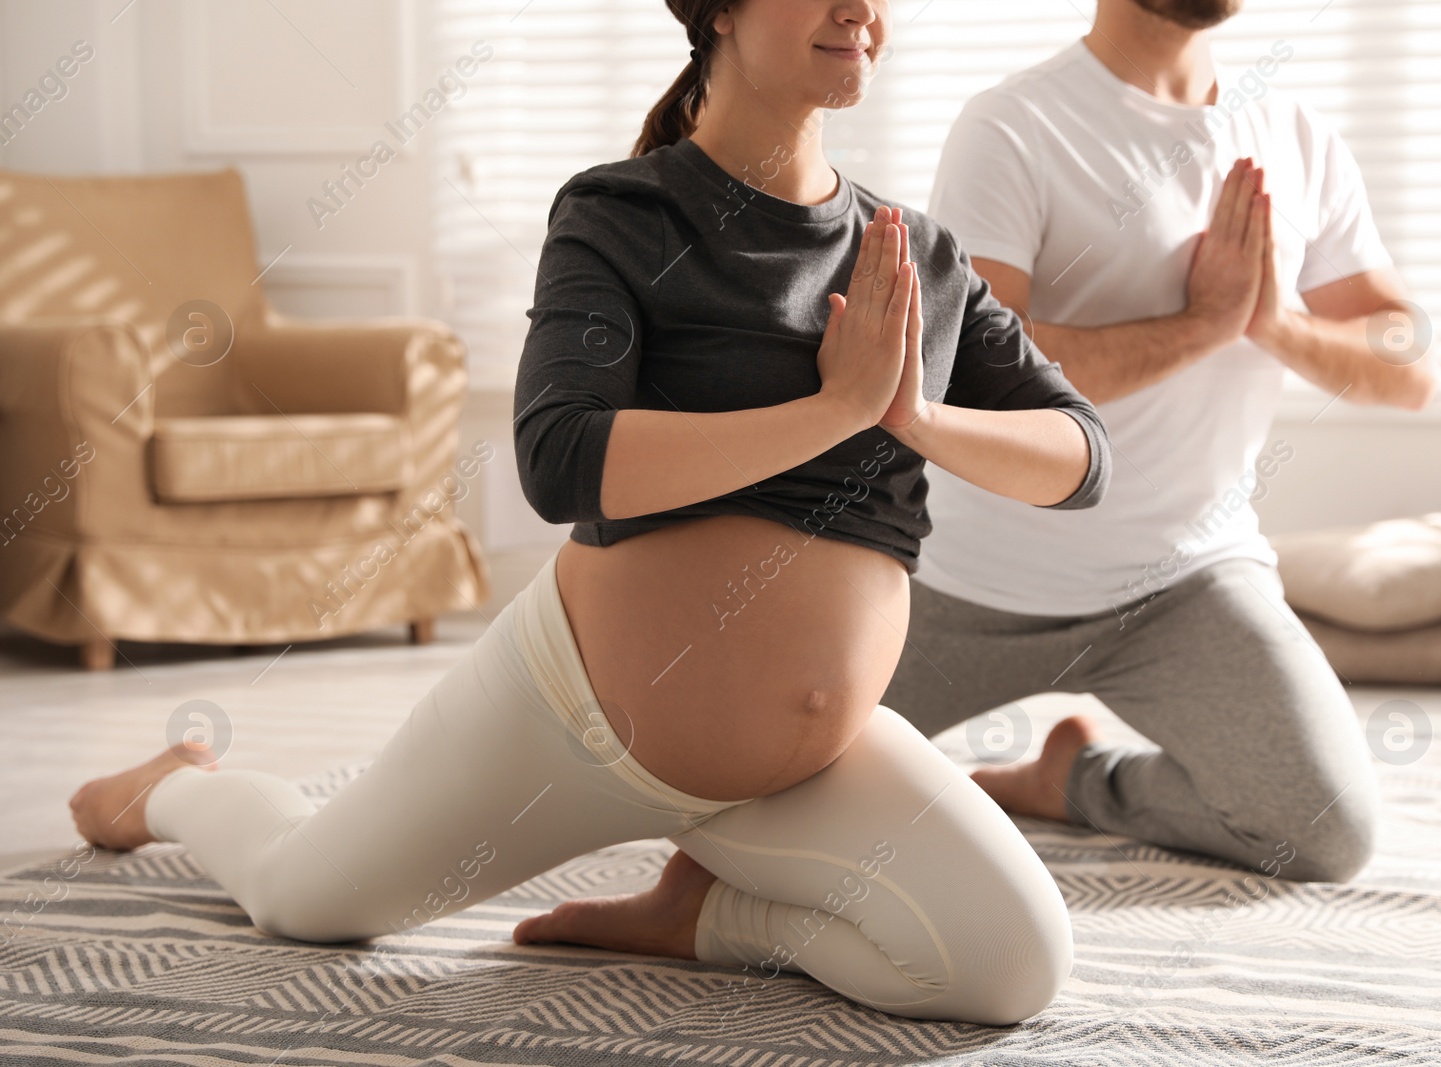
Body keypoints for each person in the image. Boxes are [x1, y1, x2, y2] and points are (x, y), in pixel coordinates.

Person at [66, 0, 1113, 1026]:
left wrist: (911, 414)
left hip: (799, 768)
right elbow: (561, 458)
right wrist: (833, 409)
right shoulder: (623, 213)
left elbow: (1079, 458)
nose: (861, 9)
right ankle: (170, 789)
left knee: (1008, 969)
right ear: (717, 12)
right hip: (567, 716)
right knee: (304, 898)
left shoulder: (914, 260)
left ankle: (708, 913)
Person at [881, 0, 1436, 884]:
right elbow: (981, 367)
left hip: (1187, 583)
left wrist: (1276, 324)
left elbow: (1407, 363)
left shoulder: (1296, 138)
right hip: (967, 586)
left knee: (1327, 834)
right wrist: (1203, 323)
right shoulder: (1015, 124)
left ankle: (1075, 778)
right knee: (760, 790)